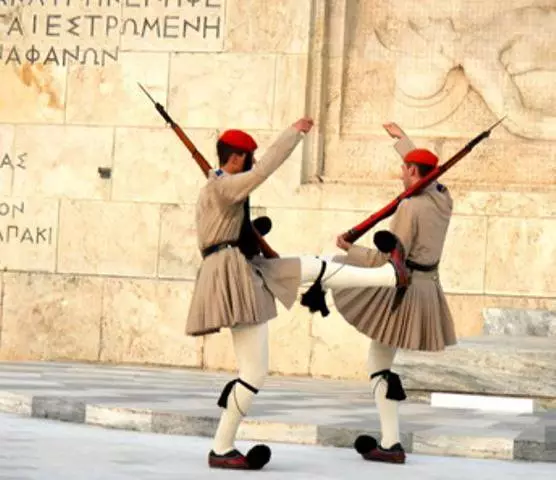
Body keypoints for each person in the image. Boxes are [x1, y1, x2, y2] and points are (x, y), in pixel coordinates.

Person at [185, 117, 411, 470]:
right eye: (249, 158)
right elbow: (263, 173)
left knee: (310, 265)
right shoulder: (223, 186)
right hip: (231, 275)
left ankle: (387, 277)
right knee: (253, 373)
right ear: (236, 159)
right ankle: (222, 447)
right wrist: (293, 134)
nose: (254, 164)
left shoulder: (220, 186)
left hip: (244, 265)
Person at [331, 122, 457, 464]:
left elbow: (390, 259)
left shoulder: (409, 208)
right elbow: (432, 178)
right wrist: (402, 141)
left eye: (405, 167)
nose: (401, 173)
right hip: (429, 286)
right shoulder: (443, 199)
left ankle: (391, 443)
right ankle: (390, 441)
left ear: (413, 170)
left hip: (404, 288)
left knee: (378, 363)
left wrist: (350, 249)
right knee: (382, 361)